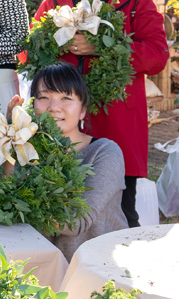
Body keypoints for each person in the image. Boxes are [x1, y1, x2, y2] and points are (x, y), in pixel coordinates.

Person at [33, 0, 168, 227]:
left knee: (119, 212)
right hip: (60, 123)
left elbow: (157, 54)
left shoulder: (136, 1)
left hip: (118, 123)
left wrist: (105, 47)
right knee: (57, 207)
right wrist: (57, 43)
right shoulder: (56, 1)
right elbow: (30, 53)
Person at [9, 62, 127, 260]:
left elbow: (75, 222)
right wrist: (10, 139)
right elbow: (4, 196)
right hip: (40, 268)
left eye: (66, 98)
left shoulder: (104, 152)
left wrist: (18, 201)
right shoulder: (28, 149)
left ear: (82, 110)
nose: (54, 108)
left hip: (96, 270)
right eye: (44, 97)